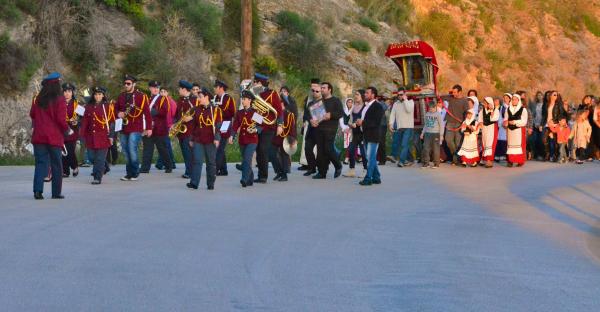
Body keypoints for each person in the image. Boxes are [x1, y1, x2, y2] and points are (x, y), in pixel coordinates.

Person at [30, 72, 68, 200]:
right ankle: (56, 193)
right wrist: (67, 130)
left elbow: (32, 114)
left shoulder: (38, 99)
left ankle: (37, 191)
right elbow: (61, 119)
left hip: (39, 136)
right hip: (54, 137)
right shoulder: (60, 99)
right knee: (57, 164)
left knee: (40, 163)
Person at [115, 74, 151, 181]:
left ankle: (135, 172)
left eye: (128, 84)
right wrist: (118, 113)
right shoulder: (121, 96)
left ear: (134, 84)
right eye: (125, 83)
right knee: (125, 151)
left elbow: (147, 113)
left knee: (132, 149)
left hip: (136, 127)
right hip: (123, 127)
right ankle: (129, 173)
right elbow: (115, 109)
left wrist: (149, 128)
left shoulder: (141, 96)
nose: (126, 85)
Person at [187, 88, 222, 190]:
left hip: (210, 140)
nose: (199, 99)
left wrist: (217, 138)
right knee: (197, 160)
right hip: (198, 139)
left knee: (210, 162)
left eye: (200, 97)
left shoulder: (215, 110)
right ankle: (194, 182)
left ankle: (210, 183)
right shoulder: (196, 109)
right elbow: (194, 125)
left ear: (206, 97)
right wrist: (191, 138)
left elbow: (218, 126)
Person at [252, 73, 284, 183]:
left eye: (255, 82)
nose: (253, 84)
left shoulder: (272, 94)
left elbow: (279, 111)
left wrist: (280, 125)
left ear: (260, 83)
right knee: (260, 151)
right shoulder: (255, 93)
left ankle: (263, 176)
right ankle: (263, 174)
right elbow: (255, 111)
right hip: (258, 125)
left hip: (269, 127)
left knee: (263, 150)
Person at [81, 87, 116, 184]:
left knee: (99, 158)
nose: (97, 96)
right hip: (90, 136)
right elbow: (85, 121)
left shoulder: (108, 106)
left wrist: (111, 136)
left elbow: (112, 122)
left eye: (100, 94)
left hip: (103, 136)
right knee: (92, 157)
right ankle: (105, 167)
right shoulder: (89, 106)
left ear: (103, 95)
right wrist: (82, 134)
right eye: (96, 94)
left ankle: (97, 177)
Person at [311, 82, 343, 179]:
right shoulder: (319, 101)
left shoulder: (336, 100)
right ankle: (322, 172)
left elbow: (340, 113)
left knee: (328, 148)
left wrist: (331, 115)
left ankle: (338, 165)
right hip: (319, 128)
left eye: (324, 88)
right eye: (321, 88)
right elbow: (314, 115)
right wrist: (312, 120)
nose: (322, 89)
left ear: (329, 89)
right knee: (320, 151)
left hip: (330, 129)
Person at [140, 81, 173, 173]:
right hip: (148, 127)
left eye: (157, 87)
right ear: (150, 88)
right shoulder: (146, 99)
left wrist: (153, 111)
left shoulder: (163, 98)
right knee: (147, 149)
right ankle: (145, 168)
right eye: (154, 87)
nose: (156, 89)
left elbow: (164, 112)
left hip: (159, 128)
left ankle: (169, 166)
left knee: (162, 148)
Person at [229, 90, 259, 187]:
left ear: (250, 100)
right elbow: (235, 126)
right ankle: (250, 178)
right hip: (242, 140)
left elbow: (262, 125)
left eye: (244, 99)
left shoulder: (255, 112)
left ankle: (244, 179)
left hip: (252, 140)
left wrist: (255, 130)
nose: (243, 101)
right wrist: (231, 136)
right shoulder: (239, 113)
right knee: (246, 160)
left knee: (246, 159)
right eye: (242, 99)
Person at [357, 87, 385, 186]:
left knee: (370, 157)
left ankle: (368, 178)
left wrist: (363, 122)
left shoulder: (378, 106)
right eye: (365, 93)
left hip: (374, 135)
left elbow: (376, 122)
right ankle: (376, 177)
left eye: (367, 93)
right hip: (366, 134)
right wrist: (360, 121)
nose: (365, 94)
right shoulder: (366, 106)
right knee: (371, 157)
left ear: (373, 95)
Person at [174, 80, 199, 179]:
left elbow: (201, 113)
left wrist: (191, 118)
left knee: (189, 152)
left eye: (180, 89)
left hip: (190, 131)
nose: (178, 90)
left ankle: (191, 172)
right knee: (185, 151)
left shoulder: (195, 100)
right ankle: (188, 170)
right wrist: (175, 124)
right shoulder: (180, 100)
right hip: (181, 130)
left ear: (184, 89)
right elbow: (177, 114)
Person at [271, 91, 297, 182]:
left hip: (285, 138)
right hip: (275, 137)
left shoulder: (289, 115)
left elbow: (292, 128)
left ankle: (284, 175)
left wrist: (292, 139)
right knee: (272, 154)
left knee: (284, 156)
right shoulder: (274, 113)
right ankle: (278, 172)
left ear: (282, 103)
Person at [213, 79, 236, 176]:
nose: (214, 89)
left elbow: (231, 112)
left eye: (216, 87)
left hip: (225, 124)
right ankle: (224, 169)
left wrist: (217, 111)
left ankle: (215, 169)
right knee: (219, 147)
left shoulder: (228, 98)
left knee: (220, 147)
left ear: (221, 88)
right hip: (217, 124)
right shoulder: (215, 98)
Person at [443, 84, 470, 165]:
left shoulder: (464, 100)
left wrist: (464, 123)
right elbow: (440, 97)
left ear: (460, 92)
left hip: (459, 124)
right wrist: (450, 93)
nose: (453, 93)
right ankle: (456, 156)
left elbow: (467, 113)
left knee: (458, 143)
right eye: (453, 92)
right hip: (450, 123)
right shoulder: (450, 97)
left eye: (455, 92)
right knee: (448, 140)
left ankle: (455, 160)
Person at [343, 90, 368, 178]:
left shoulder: (366, 107)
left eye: (357, 94)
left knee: (364, 152)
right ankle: (351, 170)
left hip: (363, 133)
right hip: (354, 133)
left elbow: (368, 120)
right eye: (355, 94)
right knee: (351, 150)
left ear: (362, 96)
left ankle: (366, 170)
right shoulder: (353, 107)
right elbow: (349, 120)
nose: (355, 96)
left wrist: (360, 123)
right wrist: (350, 124)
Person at [301, 78, 322, 175]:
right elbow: (306, 112)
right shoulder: (309, 99)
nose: (313, 89)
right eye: (312, 87)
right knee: (307, 147)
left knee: (319, 150)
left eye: (315, 87)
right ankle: (309, 166)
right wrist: (306, 120)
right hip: (309, 126)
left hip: (320, 128)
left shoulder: (323, 100)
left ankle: (318, 167)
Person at [389, 89, 414, 167]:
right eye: (398, 95)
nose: (400, 96)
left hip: (408, 127)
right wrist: (390, 124)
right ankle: (410, 159)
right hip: (399, 126)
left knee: (404, 144)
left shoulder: (410, 102)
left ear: (405, 94)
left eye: (401, 94)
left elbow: (409, 110)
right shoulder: (396, 103)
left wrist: (405, 99)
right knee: (401, 144)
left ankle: (401, 161)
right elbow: (393, 114)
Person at [504, 94, 528, 167]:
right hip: (510, 130)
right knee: (510, 145)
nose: (514, 101)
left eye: (515, 99)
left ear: (518, 100)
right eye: (513, 99)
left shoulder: (523, 109)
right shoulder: (508, 109)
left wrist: (514, 122)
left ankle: (519, 160)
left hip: (519, 130)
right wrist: (506, 122)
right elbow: (505, 118)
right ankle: (510, 161)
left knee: (519, 145)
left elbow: (524, 121)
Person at [155, 87, 177, 170]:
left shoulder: (171, 102)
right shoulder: (159, 101)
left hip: (168, 126)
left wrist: (172, 125)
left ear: (167, 93)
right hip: (161, 126)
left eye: (164, 91)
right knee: (165, 145)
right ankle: (164, 163)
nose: (162, 93)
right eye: (161, 92)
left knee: (165, 144)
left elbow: (174, 114)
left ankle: (167, 163)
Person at [61, 82, 79, 178]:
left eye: (69, 91)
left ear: (72, 92)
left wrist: (77, 122)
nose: (67, 93)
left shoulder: (76, 104)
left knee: (70, 150)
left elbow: (83, 117)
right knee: (63, 150)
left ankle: (75, 166)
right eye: (65, 91)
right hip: (62, 129)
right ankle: (65, 171)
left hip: (72, 130)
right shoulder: (59, 103)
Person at [420, 100, 443, 168]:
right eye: (429, 108)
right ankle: (426, 163)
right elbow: (426, 125)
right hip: (427, 134)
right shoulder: (427, 114)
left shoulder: (438, 114)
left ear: (435, 107)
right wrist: (422, 133)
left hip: (436, 134)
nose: (430, 109)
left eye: (432, 108)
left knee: (435, 149)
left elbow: (441, 125)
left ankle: (436, 163)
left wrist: (441, 135)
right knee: (426, 148)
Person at [478, 97, 499, 168]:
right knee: (485, 143)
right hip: (485, 128)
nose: (484, 104)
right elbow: (480, 119)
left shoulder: (496, 110)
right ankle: (485, 159)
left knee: (490, 144)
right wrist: (480, 123)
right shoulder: (482, 111)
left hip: (492, 128)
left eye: (485, 103)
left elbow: (495, 118)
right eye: (484, 103)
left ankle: (489, 161)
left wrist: (491, 111)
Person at [530, 91, 545, 160]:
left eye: (540, 95)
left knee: (541, 140)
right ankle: (536, 154)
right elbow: (532, 115)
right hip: (535, 124)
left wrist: (541, 125)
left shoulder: (545, 104)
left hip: (541, 125)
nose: (539, 96)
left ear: (543, 96)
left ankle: (541, 155)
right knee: (534, 140)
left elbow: (544, 116)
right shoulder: (535, 104)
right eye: (538, 95)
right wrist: (533, 123)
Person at [495, 94, 511, 162]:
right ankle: (500, 155)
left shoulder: (511, 107)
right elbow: (500, 117)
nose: (505, 99)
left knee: (508, 141)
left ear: (510, 99)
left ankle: (506, 155)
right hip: (502, 126)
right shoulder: (502, 107)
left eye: (507, 98)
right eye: (504, 98)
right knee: (501, 140)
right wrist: (501, 124)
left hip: (510, 126)